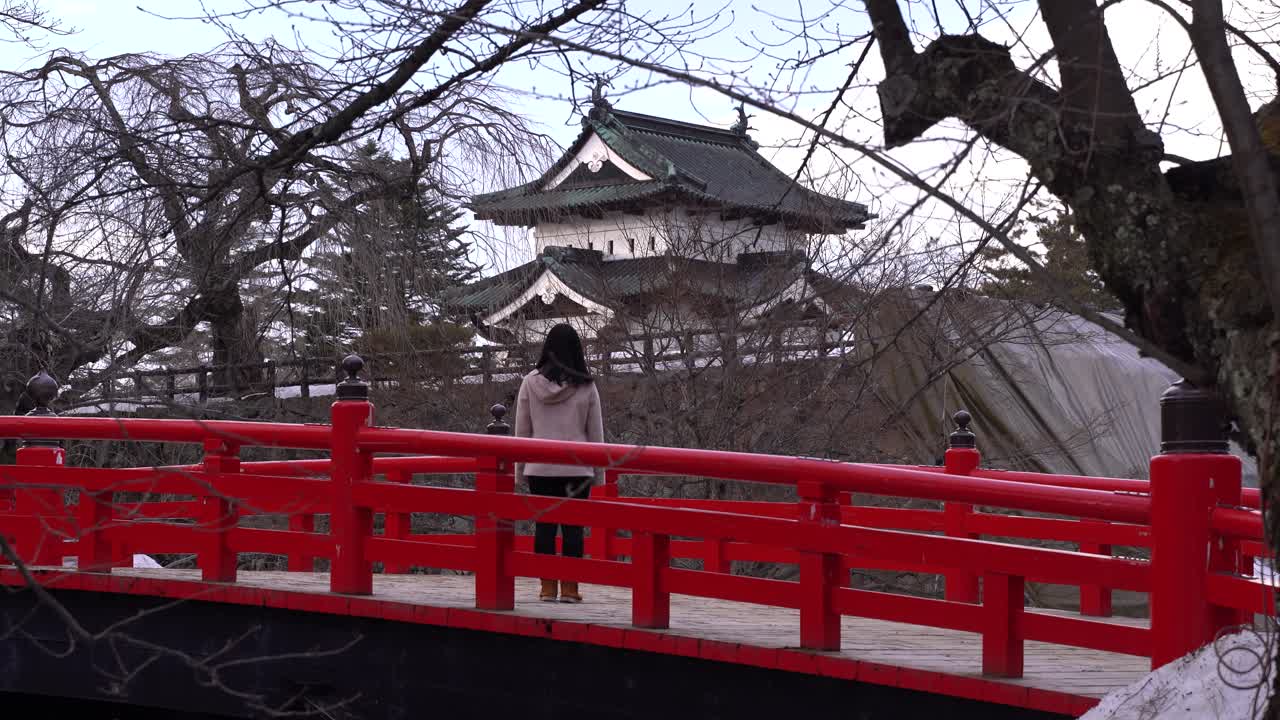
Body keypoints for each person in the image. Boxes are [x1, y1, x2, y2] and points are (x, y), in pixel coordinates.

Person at [514, 323, 604, 604]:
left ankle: (547, 586)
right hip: (577, 469)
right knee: (573, 528)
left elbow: (522, 431)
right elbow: (595, 435)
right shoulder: (586, 385)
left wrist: (520, 470)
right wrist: (599, 474)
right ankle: (570, 588)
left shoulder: (530, 382)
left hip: (540, 467)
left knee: (544, 527)